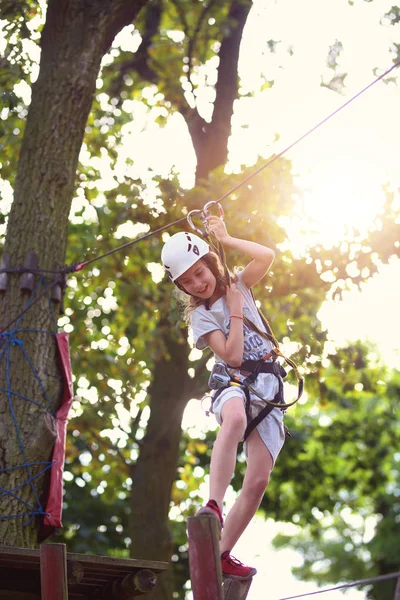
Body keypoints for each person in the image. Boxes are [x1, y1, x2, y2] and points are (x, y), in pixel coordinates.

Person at [161, 216, 286, 580]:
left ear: (210, 264)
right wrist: (232, 307)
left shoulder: (238, 282)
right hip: (232, 384)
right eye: (188, 282)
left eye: (200, 273)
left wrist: (226, 238)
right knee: (234, 419)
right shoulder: (201, 317)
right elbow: (231, 355)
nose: (198, 284)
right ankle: (213, 504)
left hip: (268, 389)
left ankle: (222, 552)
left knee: (259, 479)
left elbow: (267, 255)